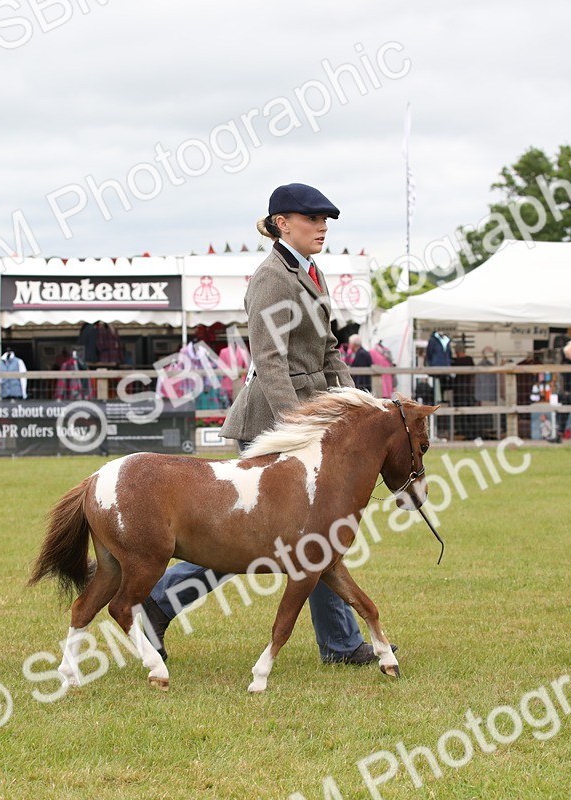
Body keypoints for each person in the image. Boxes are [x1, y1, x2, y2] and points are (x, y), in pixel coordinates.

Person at [143, 182, 390, 667]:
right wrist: (297, 427)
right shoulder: (271, 278)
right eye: (312, 219)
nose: (322, 227)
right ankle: (158, 602)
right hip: (275, 422)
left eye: (325, 220)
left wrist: (359, 406)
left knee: (315, 534)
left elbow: (329, 351)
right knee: (245, 538)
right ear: (282, 223)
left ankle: (340, 645)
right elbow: (270, 360)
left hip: (311, 417)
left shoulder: (311, 271)